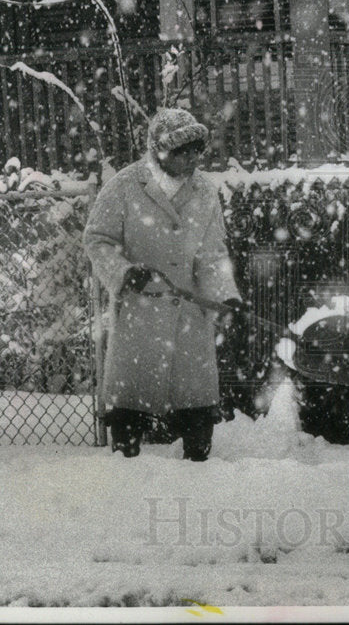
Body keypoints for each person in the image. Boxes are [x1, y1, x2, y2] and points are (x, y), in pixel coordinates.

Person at [84, 109, 241, 460]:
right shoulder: (125, 186)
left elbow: (212, 253)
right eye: (183, 150)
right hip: (138, 313)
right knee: (130, 407)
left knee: (196, 405)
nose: (192, 159)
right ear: (160, 151)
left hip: (189, 316)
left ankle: (198, 466)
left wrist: (225, 295)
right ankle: (125, 474)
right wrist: (123, 272)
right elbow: (97, 240)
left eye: (196, 150)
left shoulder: (204, 191)